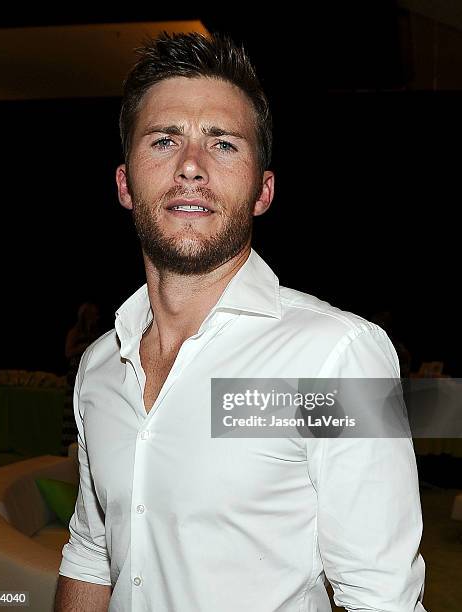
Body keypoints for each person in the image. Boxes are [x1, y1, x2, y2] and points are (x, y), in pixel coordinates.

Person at [55, 32, 427, 611]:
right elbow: (91, 549)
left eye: (224, 144)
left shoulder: (342, 356)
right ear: (125, 182)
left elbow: (382, 602)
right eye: (164, 140)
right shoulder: (99, 366)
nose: (191, 167)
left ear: (263, 189)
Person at [61, 302, 101, 455]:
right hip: (74, 375)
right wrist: (83, 347)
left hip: (89, 376)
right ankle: (66, 451)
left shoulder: (96, 332)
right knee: (70, 414)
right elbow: (68, 352)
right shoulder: (75, 332)